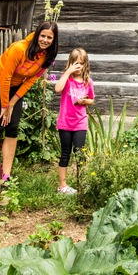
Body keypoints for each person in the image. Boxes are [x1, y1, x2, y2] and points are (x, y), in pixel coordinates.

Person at [0, 21, 59, 183]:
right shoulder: (19, 48)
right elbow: (5, 77)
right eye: (43, 36)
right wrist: (4, 105)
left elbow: (30, 80)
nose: (45, 40)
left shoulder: (48, 55)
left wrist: (12, 103)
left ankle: (6, 175)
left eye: (49, 38)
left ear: (54, 39)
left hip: (15, 87)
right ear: (37, 35)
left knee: (12, 127)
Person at [54, 48, 94, 195]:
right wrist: (68, 72)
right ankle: (62, 186)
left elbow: (92, 99)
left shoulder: (88, 82)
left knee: (80, 153)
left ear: (85, 65)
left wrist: (85, 101)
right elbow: (58, 89)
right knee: (65, 153)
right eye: (75, 63)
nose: (78, 67)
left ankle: (80, 183)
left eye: (81, 64)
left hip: (80, 122)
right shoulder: (67, 80)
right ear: (70, 63)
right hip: (65, 122)